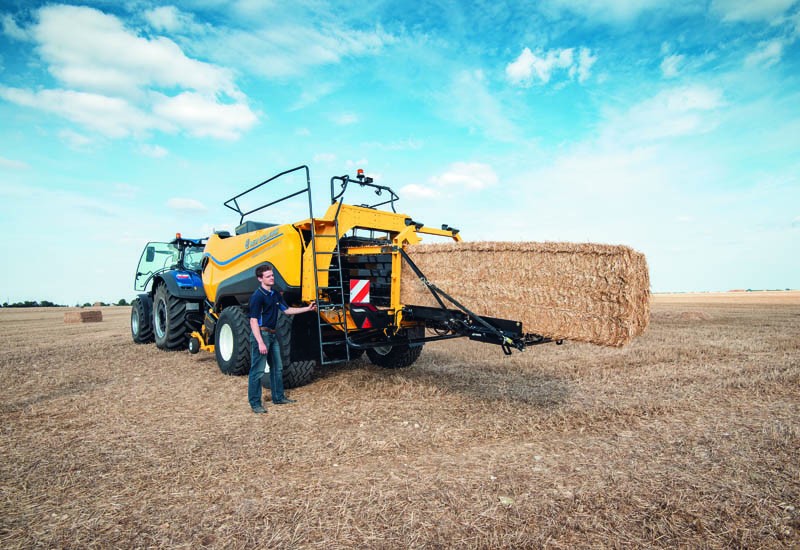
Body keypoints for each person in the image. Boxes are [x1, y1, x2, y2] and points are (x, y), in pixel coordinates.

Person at [248, 263, 316, 414]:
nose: (272, 278)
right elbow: (253, 321)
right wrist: (260, 342)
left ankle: (278, 397)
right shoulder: (257, 297)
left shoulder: (275, 294)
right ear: (260, 279)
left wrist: (307, 308)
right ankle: (255, 403)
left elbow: (287, 310)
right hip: (262, 335)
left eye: (272, 275)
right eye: (268, 276)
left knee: (277, 368)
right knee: (257, 371)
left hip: (273, 335)